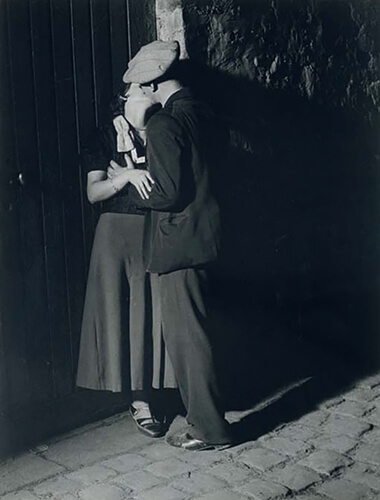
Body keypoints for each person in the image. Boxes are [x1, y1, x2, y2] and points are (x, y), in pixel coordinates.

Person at [111, 40, 233, 450]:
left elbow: (164, 193)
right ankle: (209, 420)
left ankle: (209, 429)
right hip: (208, 235)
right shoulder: (203, 111)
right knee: (200, 331)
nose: (138, 92)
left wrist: (127, 185)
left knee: (188, 340)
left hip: (178, 243)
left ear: (152, 83)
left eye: (139, 85)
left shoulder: (164, 124)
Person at [76, 82, 177, 438]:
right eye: (139, 89)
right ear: (124, 98)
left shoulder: (164, 128)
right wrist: (128, 178)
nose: (148, 91)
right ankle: (140, 401)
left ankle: (163, 388)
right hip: (116, 235)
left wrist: (130, 174)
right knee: (127, 315)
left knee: (156, 313)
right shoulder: (105, 136)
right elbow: (94, 192)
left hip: (154, 231)